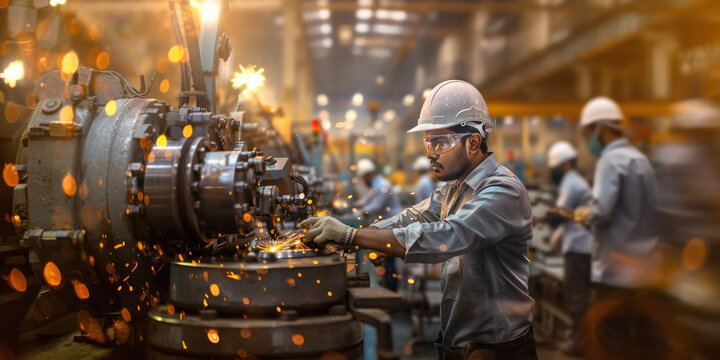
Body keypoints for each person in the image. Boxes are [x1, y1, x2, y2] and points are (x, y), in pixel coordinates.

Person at [301, 80, 537, 359]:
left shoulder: (503, 190)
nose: (430, 153)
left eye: (441, 142)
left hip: (498, 350)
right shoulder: (454, 188)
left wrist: (353, 237)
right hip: (459, 344)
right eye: (428, 141)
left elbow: (447, 235)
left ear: (473, 142)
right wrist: (361, 234)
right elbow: (413, 216)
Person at [575, 97, 658, 287]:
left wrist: (585, 215)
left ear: (601, 129)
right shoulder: (640, 158)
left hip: (617, 268)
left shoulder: (610, 160)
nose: (588, 141)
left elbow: (601, 213)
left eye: (588, 134)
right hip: (646, 265)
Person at [545, 141, 593, 354]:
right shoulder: (576, 182)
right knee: (577, 295)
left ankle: (579, 342)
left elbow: (561, 213)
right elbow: (571, 215)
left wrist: (548, 216)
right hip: (581, 245)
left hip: (579, 248)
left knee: (576, 296)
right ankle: (581, 337)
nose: (553, 173)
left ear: (565, 166)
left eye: (554, 168)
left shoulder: (571, 183)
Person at [353, 158, 402, 291]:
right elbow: (367, 199)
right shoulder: (376, 184)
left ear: (368, 175)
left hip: (392, 226)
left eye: (364, 178)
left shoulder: (382, 186)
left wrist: (357, 213)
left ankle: (392, 291)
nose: (364, 181)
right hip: (385, 226)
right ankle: (386, 285)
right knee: (382, 257)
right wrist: (354, 205)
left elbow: (375, 206)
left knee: (388, 258)